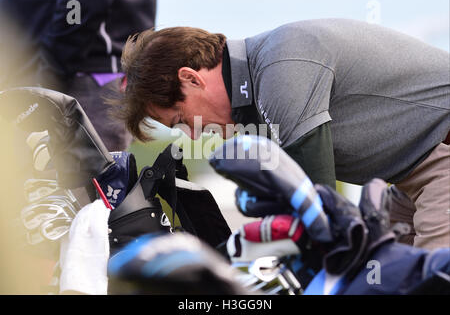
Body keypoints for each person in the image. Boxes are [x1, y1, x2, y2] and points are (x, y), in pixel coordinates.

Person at [114, 19, 450, 250]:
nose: (191, 134)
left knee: (427, 280)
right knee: (377, 276)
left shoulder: (279, 71)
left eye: (181, 119)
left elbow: (322, 219)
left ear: (191, 79)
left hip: (440, 157)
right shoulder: (256, 93)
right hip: (415, 176)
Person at [0, 0, 157, 151]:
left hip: (80, 80)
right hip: (64, 75)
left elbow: (82, 5)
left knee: (83, 173)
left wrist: (47, 77)